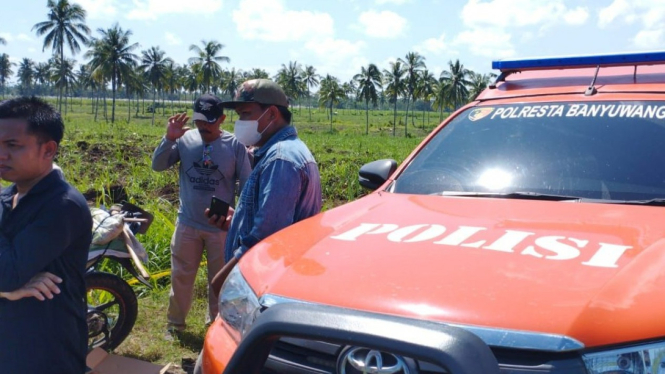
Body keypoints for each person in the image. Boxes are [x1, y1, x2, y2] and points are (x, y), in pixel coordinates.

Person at [0, 96, 92, 373]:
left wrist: (8, 284)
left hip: (45, 350)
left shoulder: (62, 206)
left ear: (48, 149)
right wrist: (9, 292)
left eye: (12, 146)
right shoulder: (9, 195)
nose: (1, 154)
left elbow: (7, 274)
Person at [152, 94, 251, 338]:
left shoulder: (234, 145)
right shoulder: (184, 140)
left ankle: (216, 326)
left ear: (222, 119)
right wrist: (168, 138)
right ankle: (175, 325)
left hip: (220, 228)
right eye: (199, 120)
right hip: (187, 223)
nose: (203, 126)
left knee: (219, 281)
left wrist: (238, 220)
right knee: (181, 277)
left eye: (209, 121)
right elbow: (158, 165)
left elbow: (246, 185)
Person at [210, 79, 322, 295]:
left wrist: (226, 277)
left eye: (245, 114)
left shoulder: (280, 159)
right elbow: (274, 215)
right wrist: (239, 220)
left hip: (265, 282)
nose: (239, 122)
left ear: (271, 114)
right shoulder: (285, 152)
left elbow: (268, 235)